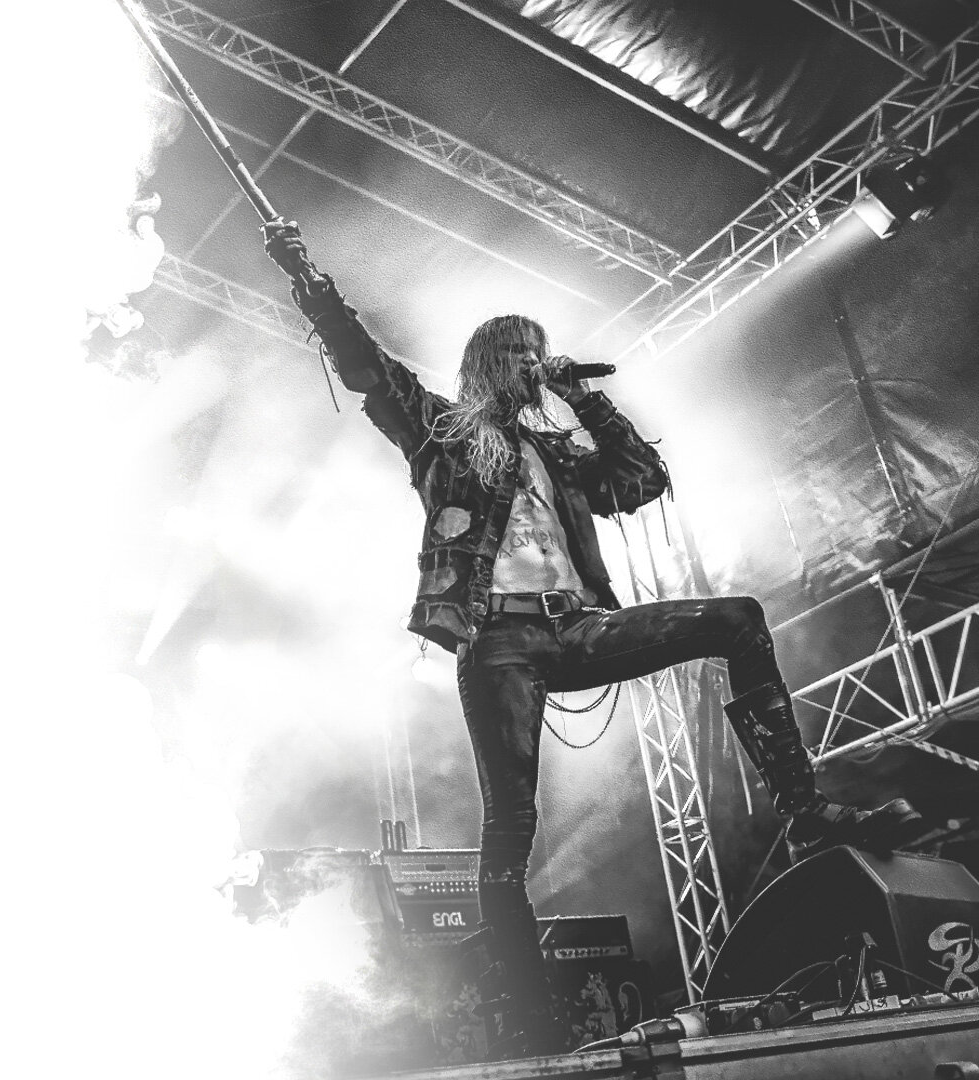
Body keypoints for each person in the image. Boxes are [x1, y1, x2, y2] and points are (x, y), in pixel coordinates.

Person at [263, 222, 923, 1056]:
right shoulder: (441, 432)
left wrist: (586, 399)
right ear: (493, 364)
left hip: (577, 627)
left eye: (542, 355)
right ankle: (530, 1019)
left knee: (738, 619)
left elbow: (643, 480)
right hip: (499, 641)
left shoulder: (558, 452)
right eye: (524, 355)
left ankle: (805, 810)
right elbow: (366, 366)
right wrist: (308, 277)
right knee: (512, 824)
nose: (537, 365)